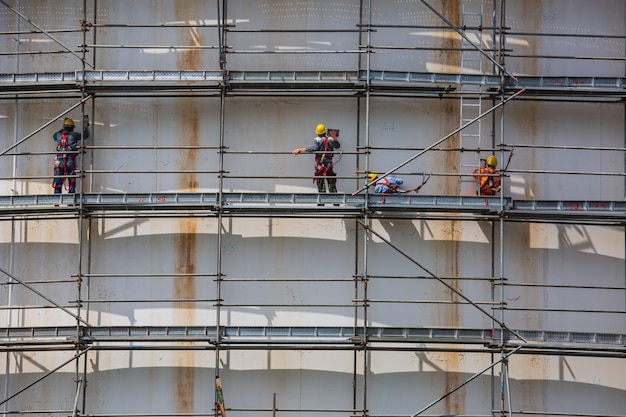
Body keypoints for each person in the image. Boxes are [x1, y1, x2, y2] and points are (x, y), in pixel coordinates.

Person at [292, 123, 341, 193]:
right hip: (329, 164)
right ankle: (336, 201)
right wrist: (335, 139)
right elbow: (337, 146)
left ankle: (321, 201)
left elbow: (314, 148)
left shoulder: (317, 140)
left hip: (320, 164)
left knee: (320, 182)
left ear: (317, 133)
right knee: (331, 182)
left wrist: (301, 149)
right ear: (325, 132)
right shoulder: (330, 139)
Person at [52, 116, 89, 194]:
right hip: (70, 161)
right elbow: (85, 135)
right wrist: (86, 126)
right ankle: (71, 200)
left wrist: (61, 130)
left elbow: (54, 136)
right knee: (71, 182)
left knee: (58, 182)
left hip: (59, 162)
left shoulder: (58, 135)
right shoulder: (73, 135)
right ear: (72, 127)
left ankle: (56, 202)